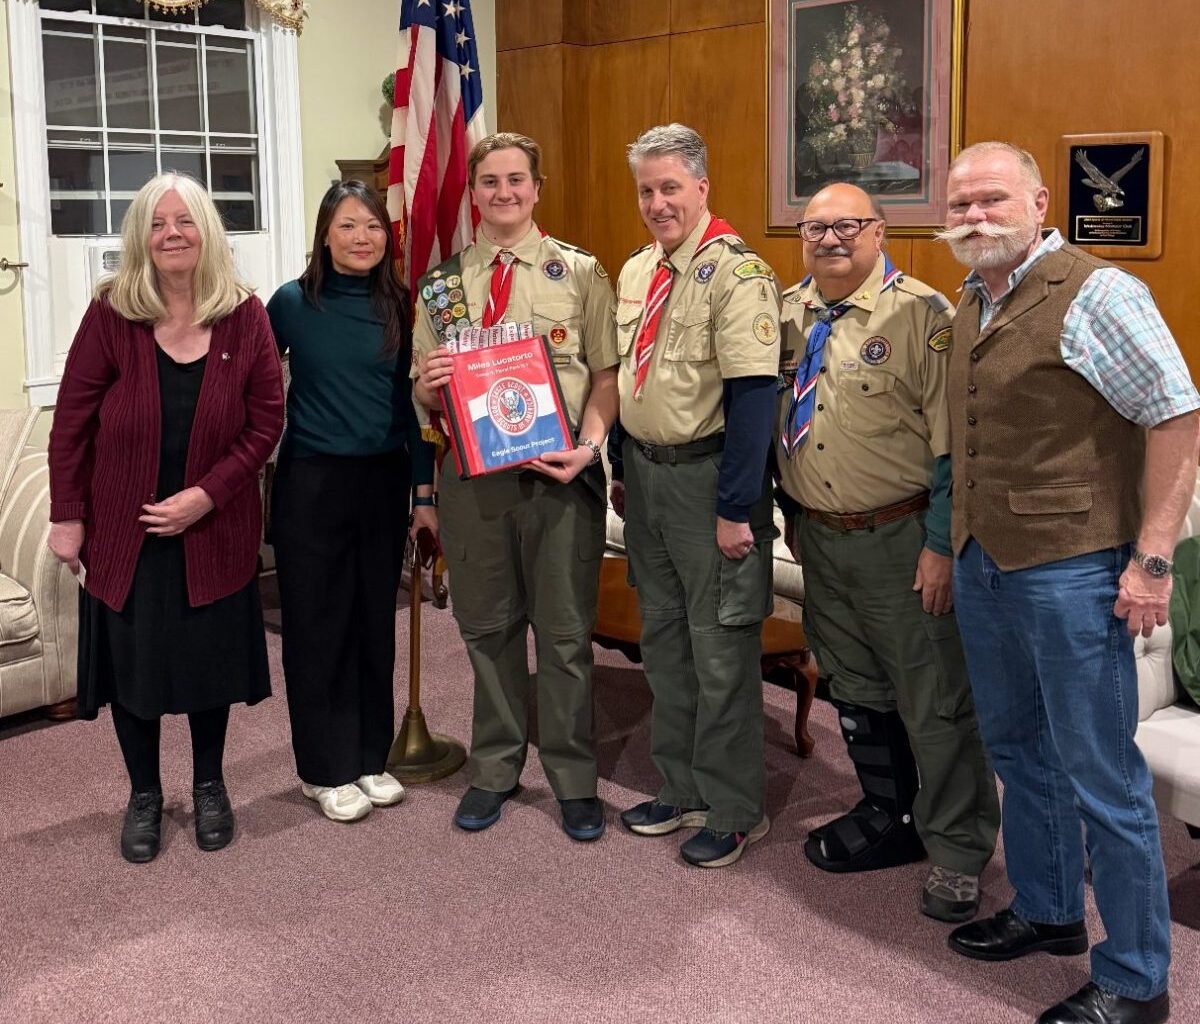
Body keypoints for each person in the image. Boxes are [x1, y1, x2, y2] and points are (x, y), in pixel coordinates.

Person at [939, 141, 1198, 1024]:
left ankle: (1135, 980)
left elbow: (1175, 410)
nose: (974, 215)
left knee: (1102, 774)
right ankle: (1048, 911)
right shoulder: (973, 298)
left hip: (1075, 570)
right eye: (960, 202)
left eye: (992, 199)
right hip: (987, 562)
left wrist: (1153, 559)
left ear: (1041, 202)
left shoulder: (1100, 292)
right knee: (1017, 750)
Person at [772, 182, 999, 921]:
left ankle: (960, 852)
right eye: (815, 227)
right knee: (856, 687)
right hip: (822, 537)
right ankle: (888, 814)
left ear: (879, 230)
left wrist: (940, 547)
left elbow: (954, 450)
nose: (830, 238)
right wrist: (793, 512)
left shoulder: (922, 316)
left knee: (934, 700)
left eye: (847, 225)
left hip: (902, 539)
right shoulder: (788, 311)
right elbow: (781, 428)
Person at [47, 172, 284, 864]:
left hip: (214, 526)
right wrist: (68, 516)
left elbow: (265, 423)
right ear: (140, 239)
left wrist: (206, 494)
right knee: (135, 670)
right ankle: (144, 793)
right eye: (157, 223)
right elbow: (71, 422)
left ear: (206, 231)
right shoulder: (111, 315)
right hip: (128, 533)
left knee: (208, 666)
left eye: (184, 221)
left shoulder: (245, 315)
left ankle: (210, 784)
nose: (171, 234)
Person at [412, 133, 619, 841]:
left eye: (516, 181)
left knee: (563, 637)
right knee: (488, 629)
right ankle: (495, 768)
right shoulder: (441, 286)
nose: (503, 193)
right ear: (473, 194)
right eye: (490, 182)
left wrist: (590, 449)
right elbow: (422, 388)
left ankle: (572, 777)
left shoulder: (581, 274)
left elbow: (605, 377)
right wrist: (428, 385)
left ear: (537, 188)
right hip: (474, 486)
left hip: (558, 481)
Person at [612, 124, 780, 869]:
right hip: (646, 480)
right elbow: (631, 381)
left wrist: (737, 509)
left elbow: (753, 401)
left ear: (702, 187)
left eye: (670, 187)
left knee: (719, 654)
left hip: (710, 483)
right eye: (646, 189)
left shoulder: (739, 275)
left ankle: (735, 807)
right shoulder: (639, 270)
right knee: (666, 646)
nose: (656, 202)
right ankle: (680, 787)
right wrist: (621, 465)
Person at [267, 180, 437, 824]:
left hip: (382, 480)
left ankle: (369, 756)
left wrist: (423, 493)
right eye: (347, 226)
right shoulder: (290, 303)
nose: (362, 237)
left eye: (373, 225)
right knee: (317, 626)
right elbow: (250, 382)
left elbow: (415, 409)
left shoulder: (402, 304)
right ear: (324, 234)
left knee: (373, 620)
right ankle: (322, 768)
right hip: (311, 481)